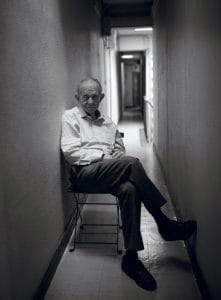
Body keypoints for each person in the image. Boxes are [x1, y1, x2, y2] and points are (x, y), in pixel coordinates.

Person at [61, 78, 197, 291]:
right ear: (77, 97)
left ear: (102, 97)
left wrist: (116, 153)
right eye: (85, 96)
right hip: (83, 174)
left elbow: (120, 147)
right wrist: (105, 156)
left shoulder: (108, 122)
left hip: (108, 173)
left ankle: (131, 259)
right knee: (133, 164)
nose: (89, 101)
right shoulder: (70, 117)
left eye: (94, 96)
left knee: (129, 189)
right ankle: (164, 223)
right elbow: (70, 152)